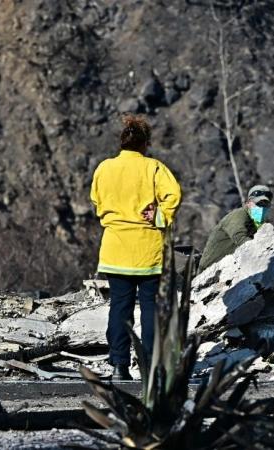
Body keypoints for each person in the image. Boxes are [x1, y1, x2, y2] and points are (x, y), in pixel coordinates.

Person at [90, 114, 182, 380]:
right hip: (147, 249)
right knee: (151, 307)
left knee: (120, 306)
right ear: (145, 144)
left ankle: (119, 365)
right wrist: (158, 216)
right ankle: (151, 366)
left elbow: (96, 199)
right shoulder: (153, 168)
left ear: (122, 143)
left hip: (115, 247)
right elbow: (173, 195)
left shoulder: (104, 168)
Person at [198, 185, 273, 272]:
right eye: (258, 204)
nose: (261, 208)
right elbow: (240, 238)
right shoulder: (239, 215)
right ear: (249, 203)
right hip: (209, 270)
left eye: (265, 205)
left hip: (230, 268)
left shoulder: (257, 223)